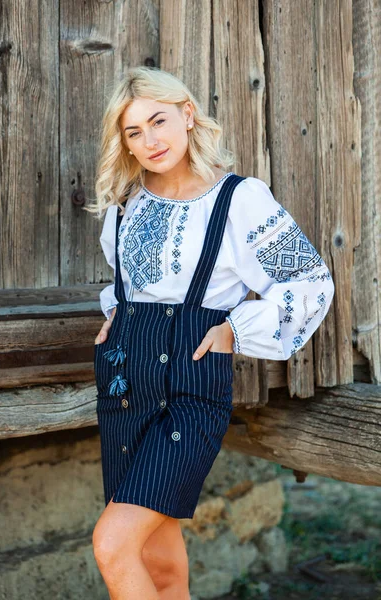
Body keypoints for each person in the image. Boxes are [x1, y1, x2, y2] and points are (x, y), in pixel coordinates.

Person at [84, 66, 335, 599]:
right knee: (162, 568)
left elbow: (309, 282)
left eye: (158, 121)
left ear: (188, 115)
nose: (149, 140)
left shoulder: (240, 199)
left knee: (112, 543)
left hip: (190, 386)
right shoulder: (126, 201)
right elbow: (127, 279)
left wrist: (234, 331)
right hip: (125, 385)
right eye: (133, 131)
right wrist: (118, 312)